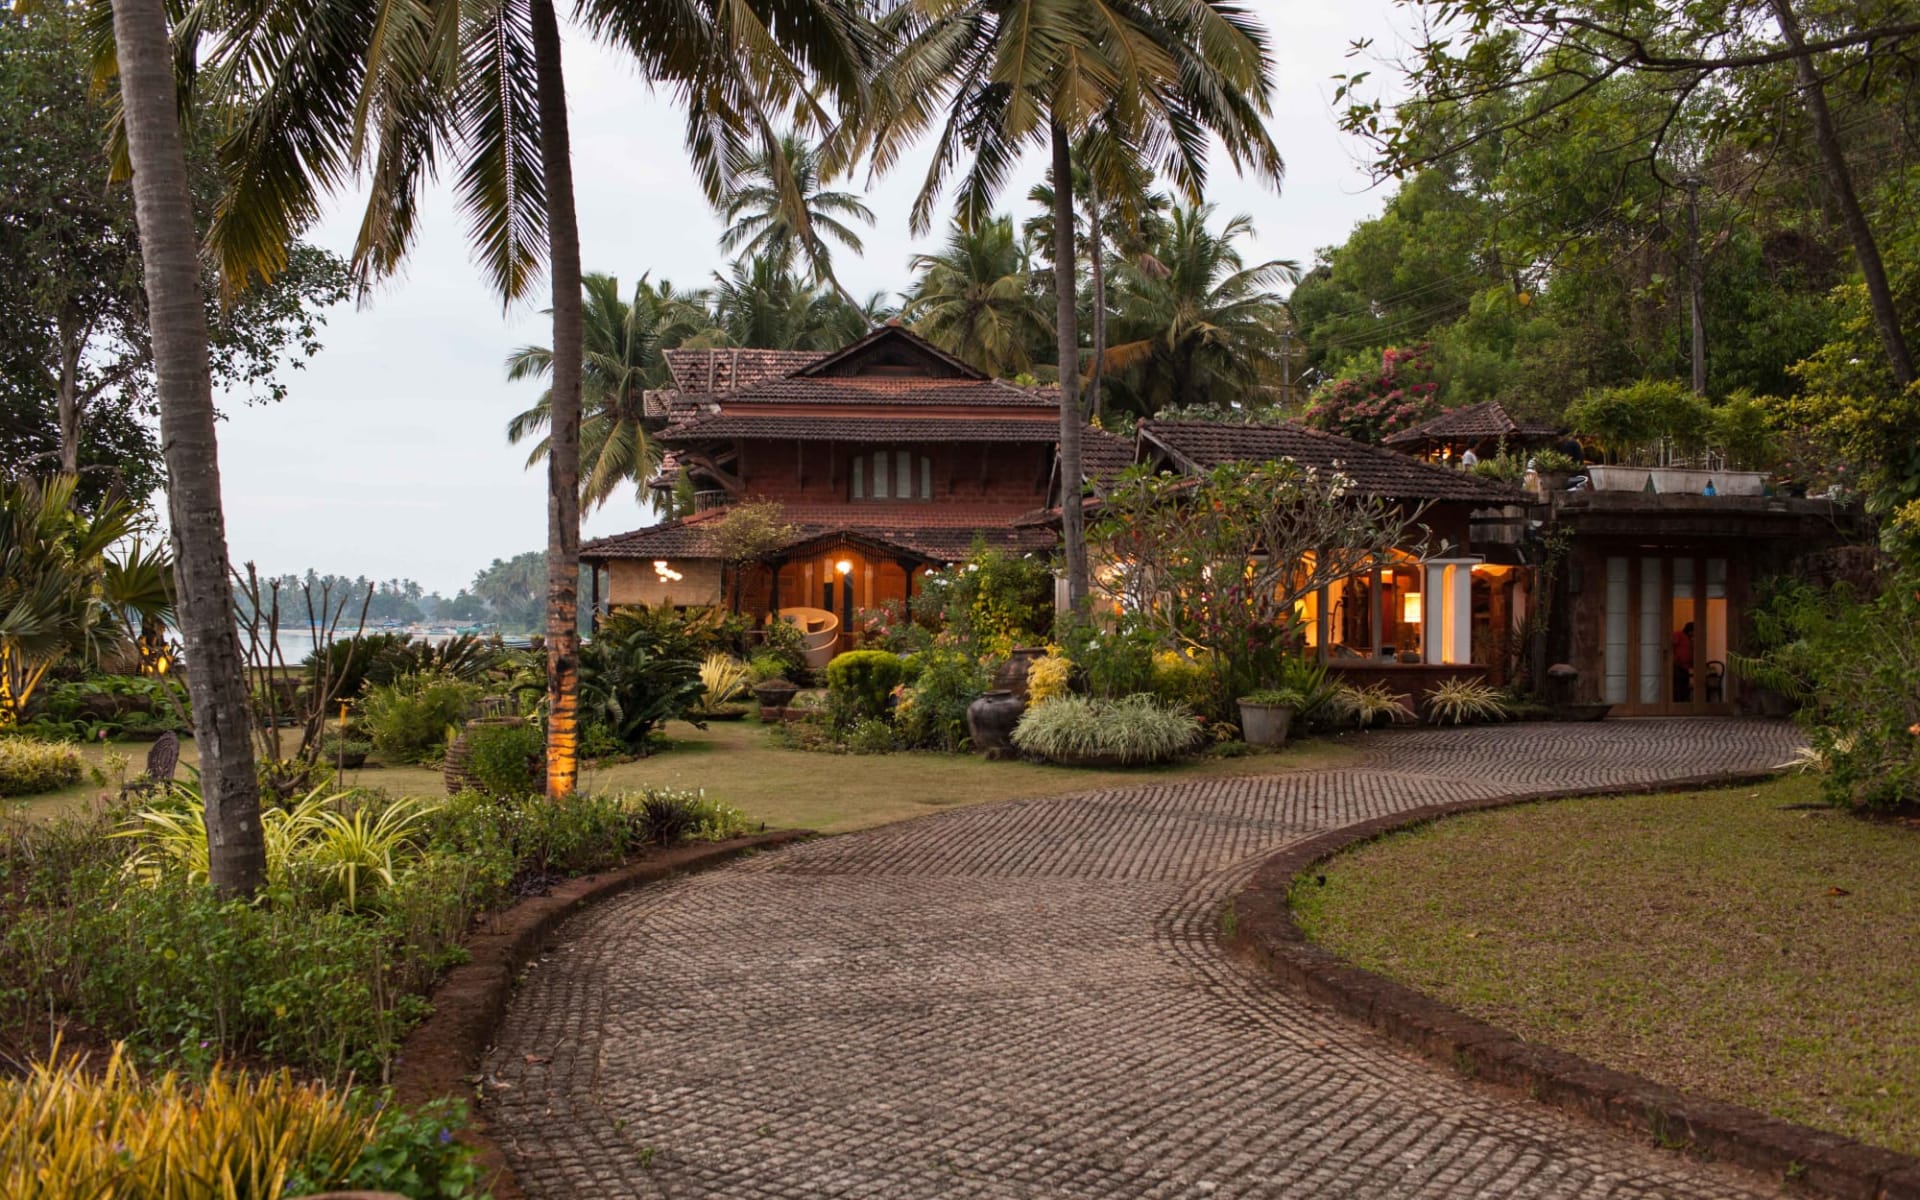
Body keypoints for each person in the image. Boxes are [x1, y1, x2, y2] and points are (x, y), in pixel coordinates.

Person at [1672, 621, 1694, 702]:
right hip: (1678, 665)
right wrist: (1675, 658)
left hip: (1685, 667)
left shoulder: (1689, 639)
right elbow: (1671, 645)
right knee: (1678, 686)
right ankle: (1678, 702)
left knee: (1684, 686)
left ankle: (1683, 702)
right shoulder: (1679, 635)